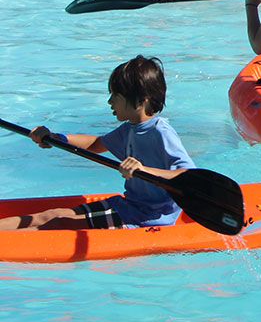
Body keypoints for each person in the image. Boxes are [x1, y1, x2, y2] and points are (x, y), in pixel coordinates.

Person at [0, 56, 195, 231]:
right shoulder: (129, 129)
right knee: (50, 215)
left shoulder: (160, 131)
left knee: (58, 225)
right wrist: (57, 137)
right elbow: (96, 143)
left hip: (146, 218)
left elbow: (188, 174)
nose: (110, 102)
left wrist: (143, 170)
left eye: (115, 96)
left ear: (141, 100)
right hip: (126, 205)